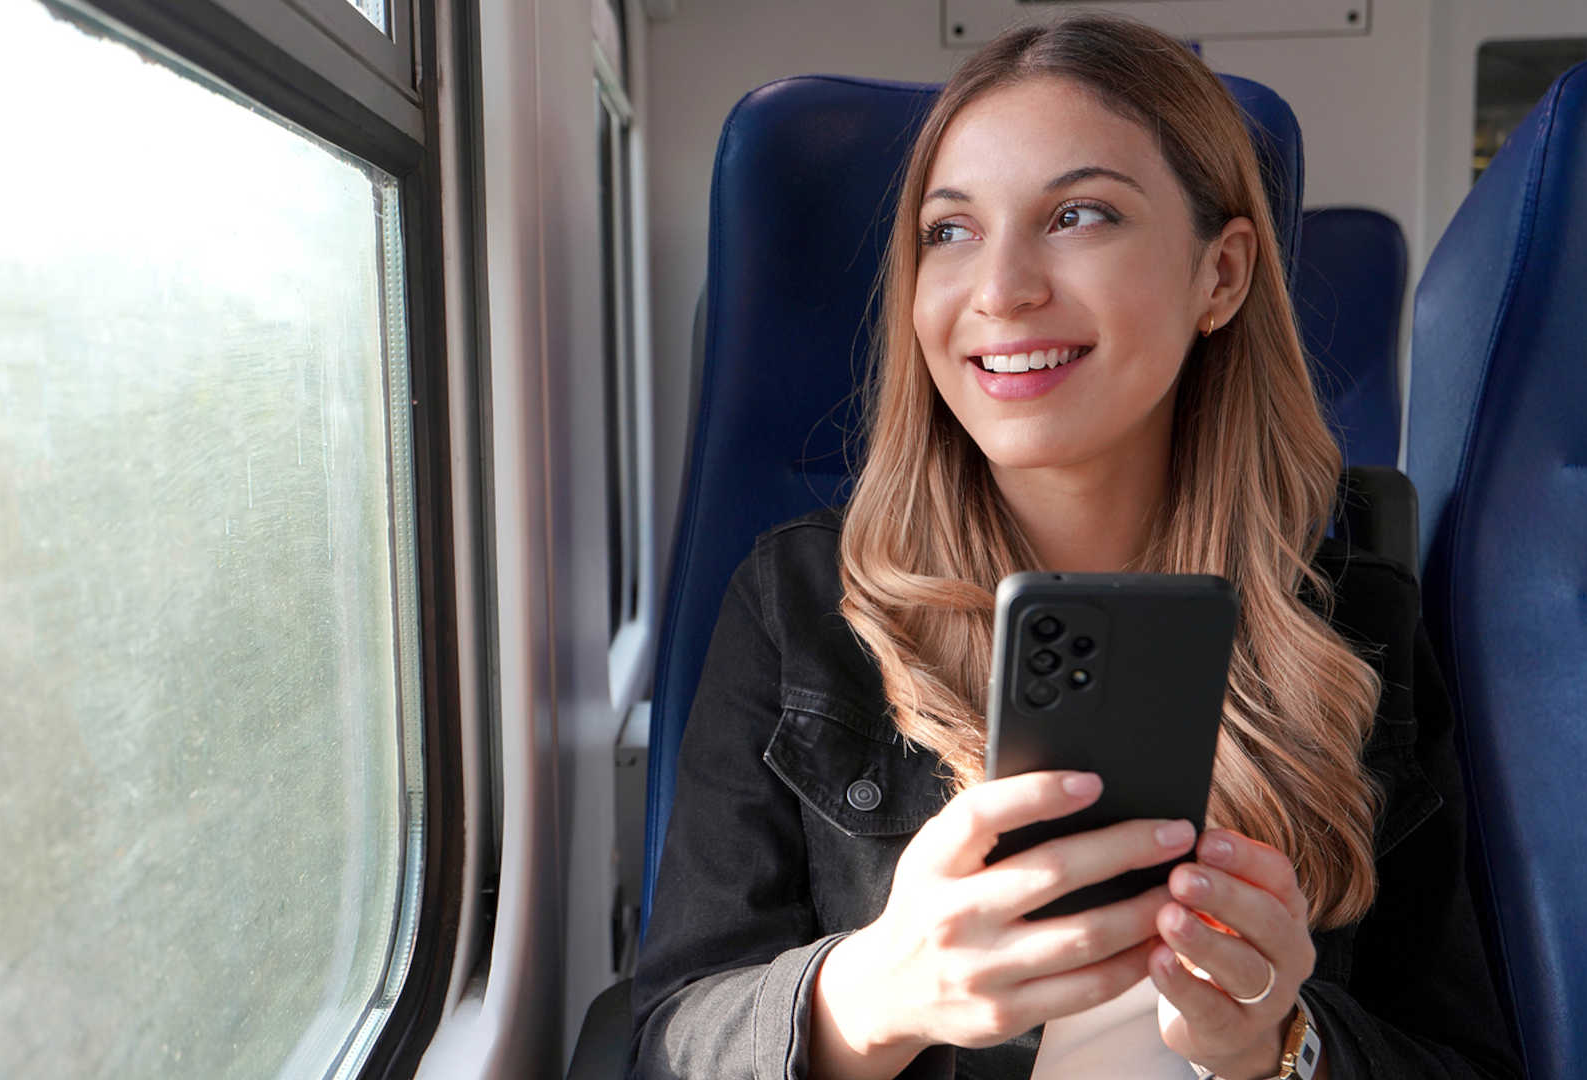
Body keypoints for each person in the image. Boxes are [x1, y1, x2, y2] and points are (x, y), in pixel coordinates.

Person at [629, 15, 1521, 1080]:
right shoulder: (800, 602)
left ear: (1222, 277)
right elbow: (669, 1041)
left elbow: (1461, 1058)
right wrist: (878, 996)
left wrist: (1282, 1044)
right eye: (949, 232)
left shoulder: (1358, 620)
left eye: (1079, 215)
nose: (1000, 288)